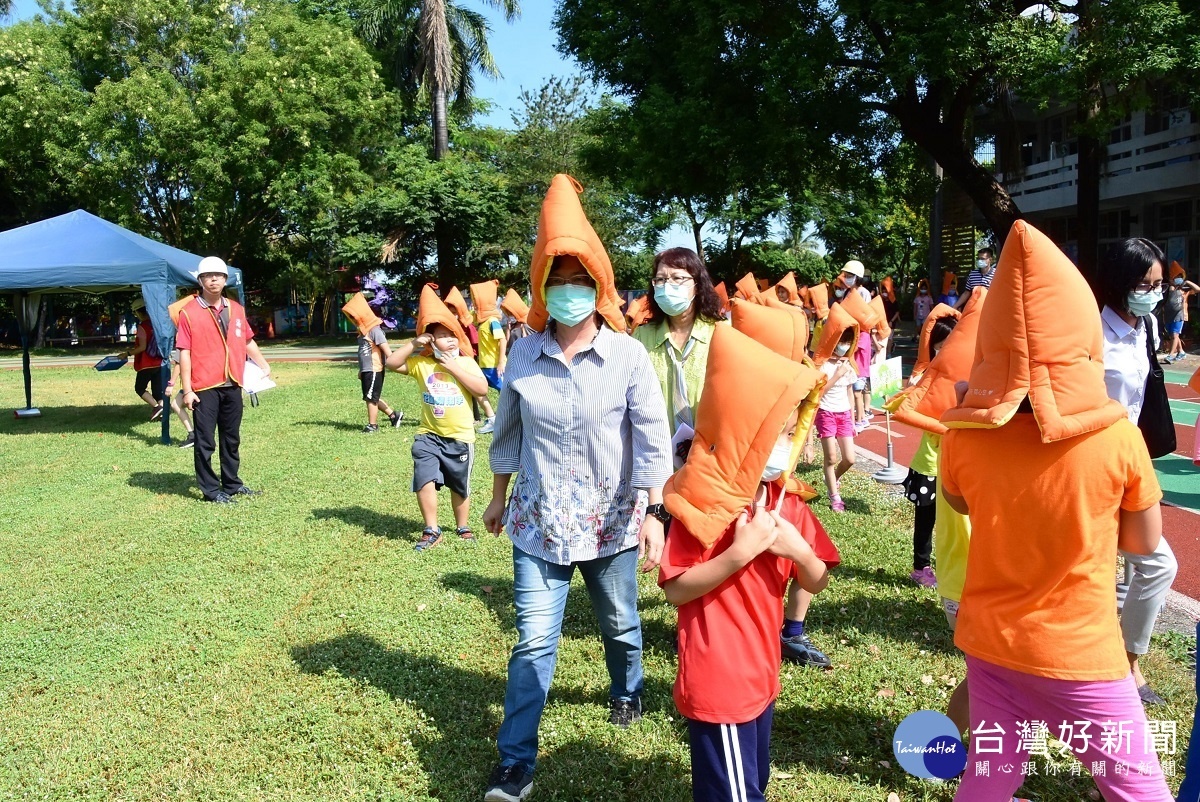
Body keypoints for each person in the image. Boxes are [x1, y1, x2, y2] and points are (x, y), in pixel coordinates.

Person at [942, 220, 1173, 801]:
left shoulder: (963, 439)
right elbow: (1144, 544)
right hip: (1080, 651)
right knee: (1137, 785)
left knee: (991, 775)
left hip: (991, 640)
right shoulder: (1118, 437)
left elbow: (957, 498)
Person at [481, 175, 672, 802]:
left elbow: (651, 439)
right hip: (537, 523)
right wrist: (496, 496)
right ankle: (515, 760)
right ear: (543, 289)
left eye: (578, 281)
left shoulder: (626, 357)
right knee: (534, 641)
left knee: (619, 622)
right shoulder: (522, 355)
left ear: (598, 286)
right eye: (556, 282)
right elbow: (508, 433)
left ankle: (627, 688)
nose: (568, 293)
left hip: (611, 518)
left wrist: (654, 512)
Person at [658, 324, 838, 802]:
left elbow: (815, 578)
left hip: (761, 672)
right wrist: (741, 553)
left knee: (748, 782)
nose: (786, 442)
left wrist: (798, 551)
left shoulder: (787, 503)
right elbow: (675, 588)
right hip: (720, 682)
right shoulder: (700, 505)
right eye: (774, 431)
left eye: (789, 430)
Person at [1095, 237, 1179, 706]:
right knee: (1098, 569)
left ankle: (1127, 659)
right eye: (1143, 283)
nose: (1152, 291)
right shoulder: (1091, 330)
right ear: (1120, 281)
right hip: (1094, 466)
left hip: (1134, 463)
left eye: (1158, 283)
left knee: (1157, 564)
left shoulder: (1146, 326)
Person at [387, 285, 488, 550]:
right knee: (424, 478)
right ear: (431, 341)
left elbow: (481, 389)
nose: (451, 340)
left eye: (453, 335)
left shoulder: (465, 362)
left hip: (460, 438)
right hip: (428, 435)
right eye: (443, 336)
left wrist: (453, 366)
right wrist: (413, 344)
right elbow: (392, 364)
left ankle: (462, 525)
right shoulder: (422, 364)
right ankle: (431, 528)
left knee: (459, 485)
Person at [177, 257, 271, 504]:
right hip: (205, 386)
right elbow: (184, 352)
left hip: (233, 383)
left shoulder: (236, 309)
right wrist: (187, 390)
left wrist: (263, 364)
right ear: (200, 280)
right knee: (205, 441)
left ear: (225, 279)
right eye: (208, 275)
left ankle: (232, 484)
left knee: (231, 438)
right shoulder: (188, 313)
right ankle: (210, 490)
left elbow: (247, 340)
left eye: (218, 275)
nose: (214, 279)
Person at [632, 247, 724, 462]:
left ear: (697, 285)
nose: (667, 286)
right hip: (655, 456)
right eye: (661, 280)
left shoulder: (720, 334)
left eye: (677, 278)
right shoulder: (641, 337)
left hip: (712, 454)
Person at [897, 313, 959, 588]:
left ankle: (952, 565)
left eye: (951, 342)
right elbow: (908, 402)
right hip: (929, 463)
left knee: (957, 521)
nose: (944, 349)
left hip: (957, 463)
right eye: (939, 343)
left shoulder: (966, 373)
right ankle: (921, 566)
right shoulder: (926, 376)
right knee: (926, 521)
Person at [812, 306, 860, 513]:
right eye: (841, 341)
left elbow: (849, 393)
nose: (844, 346)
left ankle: (832, 478)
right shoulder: (823, 365)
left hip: (843, 414)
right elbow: (819, 392)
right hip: (826, 412)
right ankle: (835, 497)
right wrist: (837, 375)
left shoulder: (848, 364)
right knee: (831, 457)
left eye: (848, 342)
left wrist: (853, 418)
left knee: (850, 459)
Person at [342, 292, 402, 433]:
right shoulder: (363, 332)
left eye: (354, 317)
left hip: (375, 369)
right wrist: (361, 370)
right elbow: (364, 354)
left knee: (371, 398)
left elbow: (386, 350)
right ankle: (394, 415)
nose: (353, 320)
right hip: (367, 369)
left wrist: (394, 362)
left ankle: (373, 425)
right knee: (371, 397)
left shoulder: (375, 330)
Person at [471, 280, 508, 433]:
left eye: (475, 300)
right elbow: (468, 318)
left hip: (494, 366)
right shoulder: (483, 322)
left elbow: (502, 340)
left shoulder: (493, 321)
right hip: (484, 366)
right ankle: (492, 419)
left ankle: (509, 421)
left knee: (506, 394)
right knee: (476, 390)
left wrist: (501, 362)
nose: (473, 304)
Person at [120, 297, 164, 421]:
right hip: (159, 362)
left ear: (139, 312)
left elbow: (142, 347)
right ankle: (162, 411)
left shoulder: (142, 327)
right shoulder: (157, 324)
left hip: (146, 364)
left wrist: (127, 353)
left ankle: (156, 407)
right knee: (158, 392)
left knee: (139, 388)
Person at [1164, 262, 1199, 363]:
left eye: (1179, 276)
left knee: (1175, 335)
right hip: (1169, 315)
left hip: (1180, 315)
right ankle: (1181, 351)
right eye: (1175, 276)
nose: (1177, 278)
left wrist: (1187, 282)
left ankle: (1170, 355)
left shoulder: (1184, 289)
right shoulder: (1169, 289)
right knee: (1173, 335)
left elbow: (1197, 289)